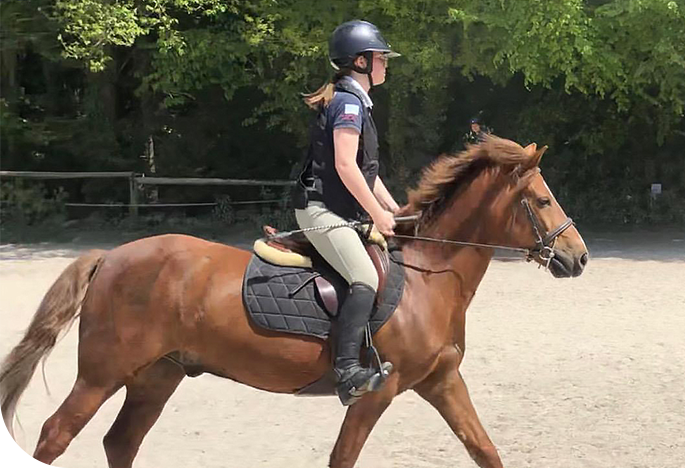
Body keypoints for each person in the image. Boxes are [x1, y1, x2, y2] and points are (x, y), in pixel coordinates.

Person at [291, 20, 401, 406]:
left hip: (338, 209)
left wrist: (393, 207)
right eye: (381, 58)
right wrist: (377, 214)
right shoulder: (349, 103)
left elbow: (366, 170)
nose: (386, 63)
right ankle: (348, 372)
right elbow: (344, 165)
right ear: (360, 62)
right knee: (364, 275)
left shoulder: (354, 101)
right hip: (320, 210)